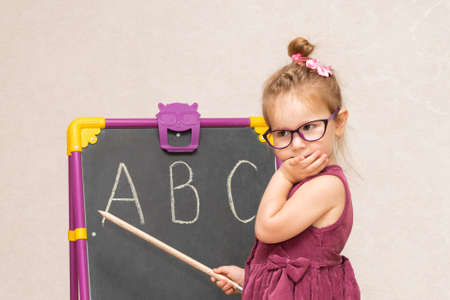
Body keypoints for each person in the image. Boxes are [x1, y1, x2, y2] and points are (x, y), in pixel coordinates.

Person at [210, 36, 361, 299]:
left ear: (338, 123)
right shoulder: (303, 183)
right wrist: (251, 278)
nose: (297, 144)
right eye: (282, 133)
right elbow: (293, 269)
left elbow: (268, 229)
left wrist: (284, 175)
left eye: (308, 128)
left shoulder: (325, 186)